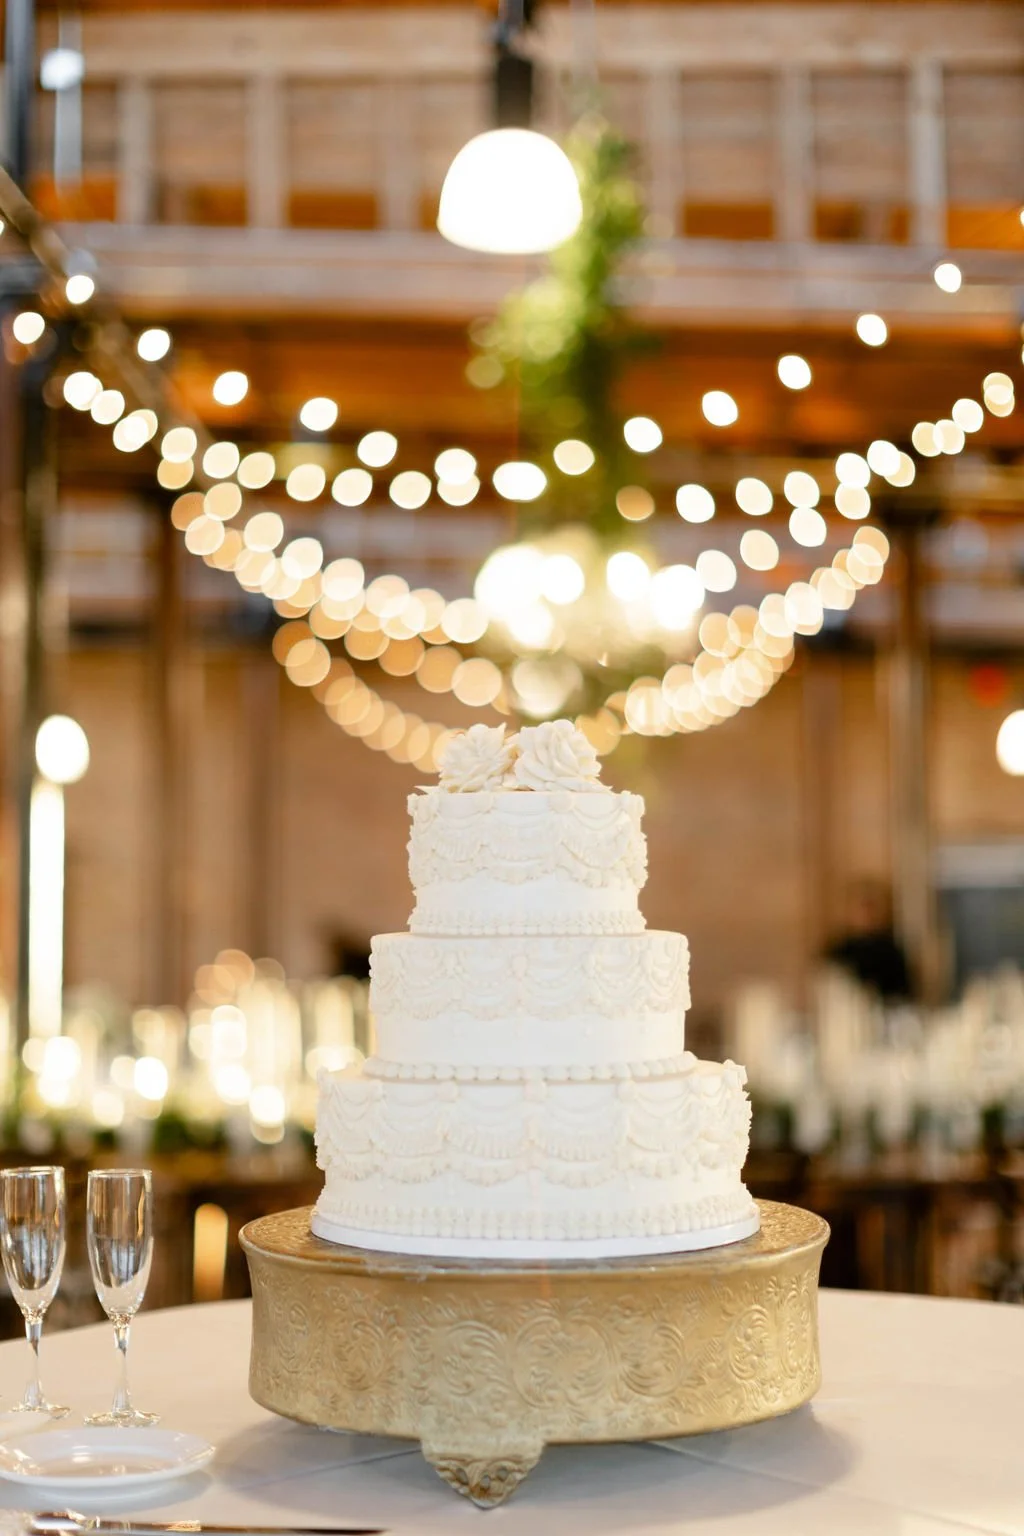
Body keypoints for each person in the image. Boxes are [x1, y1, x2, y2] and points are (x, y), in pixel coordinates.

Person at [824, 878, 912, 1002]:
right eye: (861, 907)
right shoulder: (838, 951)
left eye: (870, 907)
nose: (866, 914)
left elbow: (903, 997)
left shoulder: (892, 952)